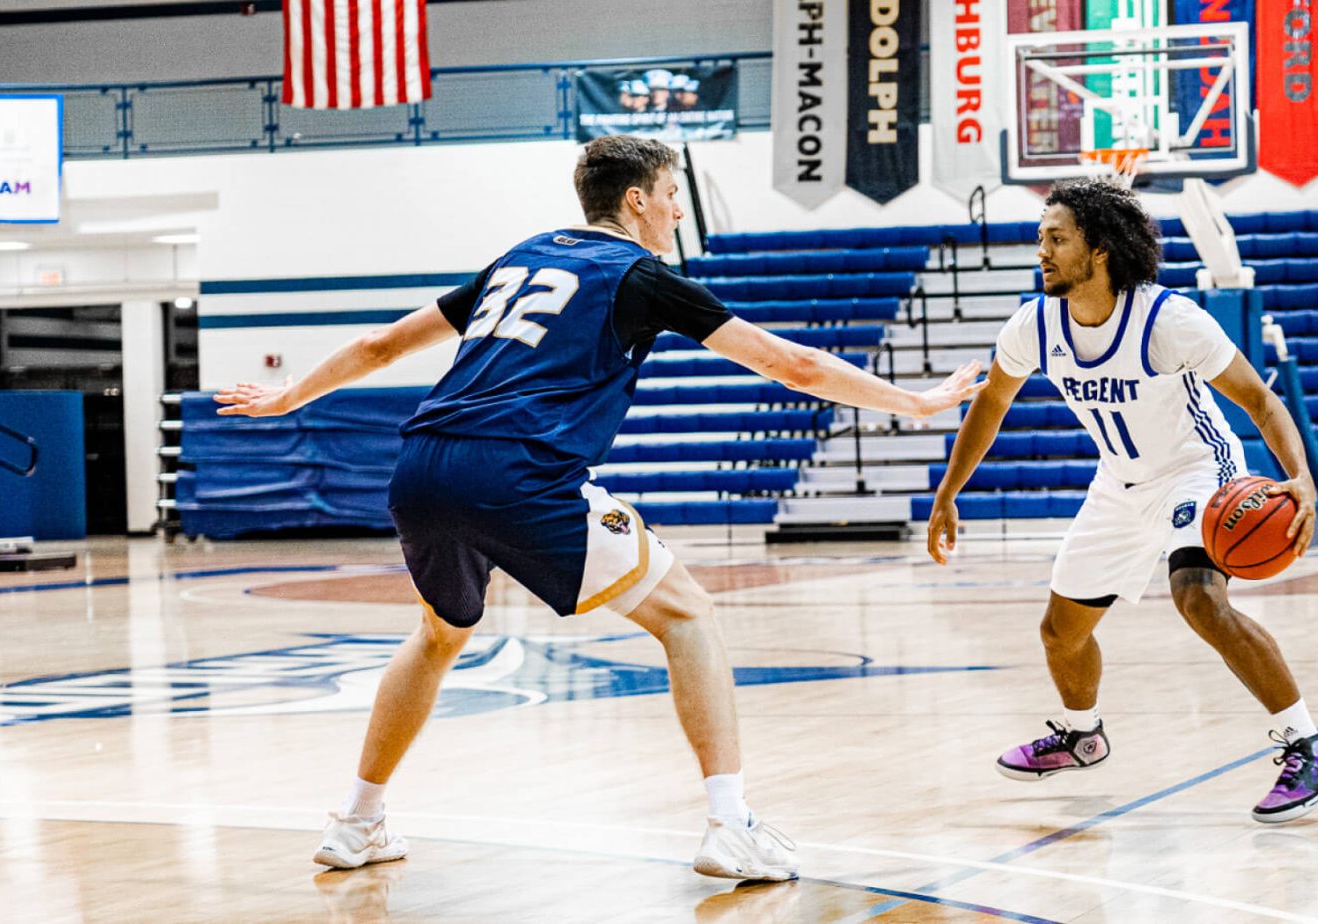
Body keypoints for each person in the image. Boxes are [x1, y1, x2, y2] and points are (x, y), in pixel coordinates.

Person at [216, 134, 985, 879]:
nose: (679, 214)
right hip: (518, 472)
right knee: (687, 615)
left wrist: (291, 395)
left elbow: (385, 348)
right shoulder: (639, 274)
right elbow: (793, 364)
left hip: (422, 466)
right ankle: (731, 825)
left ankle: (356, 822)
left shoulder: (519, 256)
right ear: (637, 200)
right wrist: (914, 403)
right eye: (674, 197)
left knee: (438, 635)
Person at [925, 177, 1318, 823]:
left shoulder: (1167, 319)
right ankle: (1081, 735)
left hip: (1195, 471)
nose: (1041, 250)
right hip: (1118, 483)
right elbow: (992, 402)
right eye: (1041, 238)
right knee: (1060, 633)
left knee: (1198, 598)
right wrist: (949, 491)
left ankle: (1309, 745)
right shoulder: (1034, 324)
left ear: (1098, 249)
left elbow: (1261, 400)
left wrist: (1301, 480)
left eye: (1056, 239)